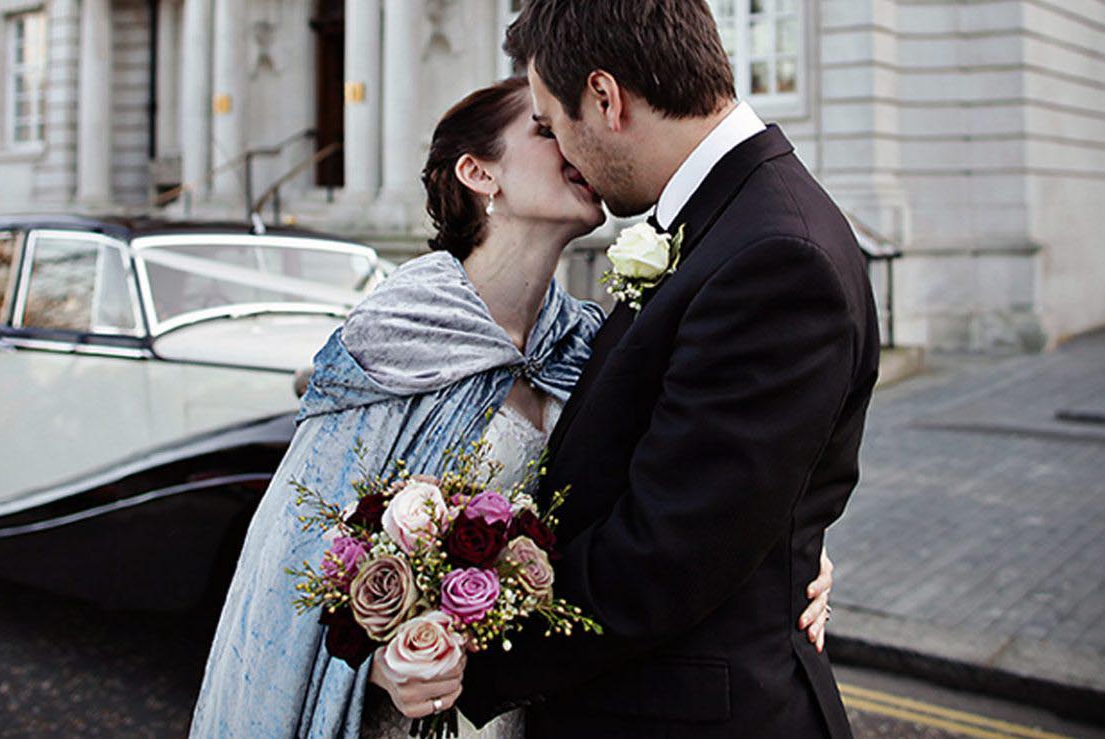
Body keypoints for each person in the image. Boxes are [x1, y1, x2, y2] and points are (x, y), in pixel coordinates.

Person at [188, 73, 837, 739]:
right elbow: (300, 557)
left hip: (540, 707)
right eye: (543, 128)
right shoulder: (397, 333)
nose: (571, 143)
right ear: (478, 172)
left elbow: (685, 493)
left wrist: (786, 550)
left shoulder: (587, 342)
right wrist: (381, 663)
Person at [424, 2, 879, 737]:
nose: (566, 153)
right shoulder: (722, 217)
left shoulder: (775, 255)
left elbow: (665, 556)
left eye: (554, 120)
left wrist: (454, 651)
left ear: (606, 99)